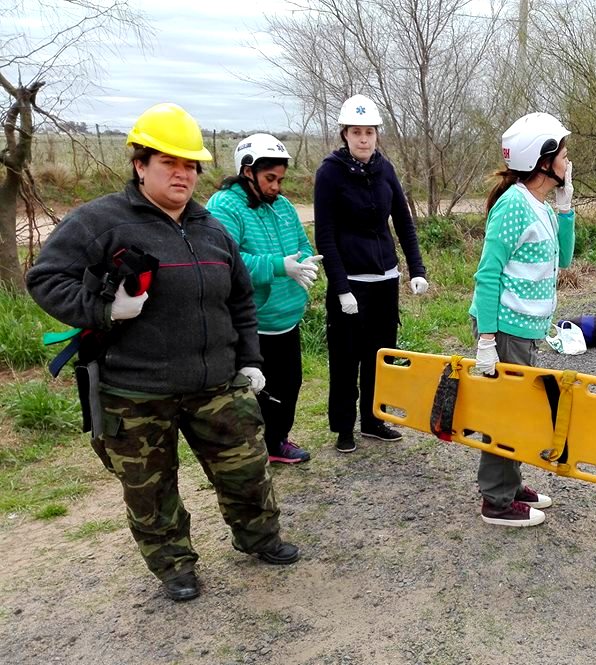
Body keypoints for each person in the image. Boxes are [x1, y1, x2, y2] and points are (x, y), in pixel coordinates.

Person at [26, 103, 299, 602]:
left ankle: (260, 538)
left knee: (246, 469)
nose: (182, 174)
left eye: (191, 165)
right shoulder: (100, 221)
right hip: (135, 391)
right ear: (139, 164)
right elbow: (45, 279)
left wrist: (252, 360)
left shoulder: (212, 228)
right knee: (151, 492)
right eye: (169, 162)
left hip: (216, 383)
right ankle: (174, 565)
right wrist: (106, 308)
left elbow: (238, 297)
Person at [470, 112, 575, 527]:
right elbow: (488, 273)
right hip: (505, 327)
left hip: (526, 328)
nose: (568, 161)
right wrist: (487, 340)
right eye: (563, 154)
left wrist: (565, 211)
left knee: (517, 410)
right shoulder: (514, 205)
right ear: (543, 160)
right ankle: (495, 500)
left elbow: (564, 260)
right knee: (506, 413)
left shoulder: (541, 206)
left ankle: (509, 484)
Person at [314, 94, 428, 453]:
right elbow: (325, 236)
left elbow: (404, 224)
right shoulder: (329, 173)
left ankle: (374, 420)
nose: (364, 139)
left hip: (385, 280)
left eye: (370, 132)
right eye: (356, 132)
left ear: (377, 135)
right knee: (346, 357)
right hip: (351, 284)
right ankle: (344, 427)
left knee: (381, 354)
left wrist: (416, 270)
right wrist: (341, 286)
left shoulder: (385, 169)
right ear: (345, 134)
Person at [206, 134, 321, 464]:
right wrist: (278, 266)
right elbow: (227, 259)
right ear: (247, 171)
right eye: (270, 179)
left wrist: (304, 263)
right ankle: (249, 450)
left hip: (287, 317)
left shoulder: (283, 207)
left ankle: (276, 442)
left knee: (290, 384)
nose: (276, 187)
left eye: (281, 179)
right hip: (253, 321)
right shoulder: (224, 206)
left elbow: (303, 244)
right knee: (255, 392)